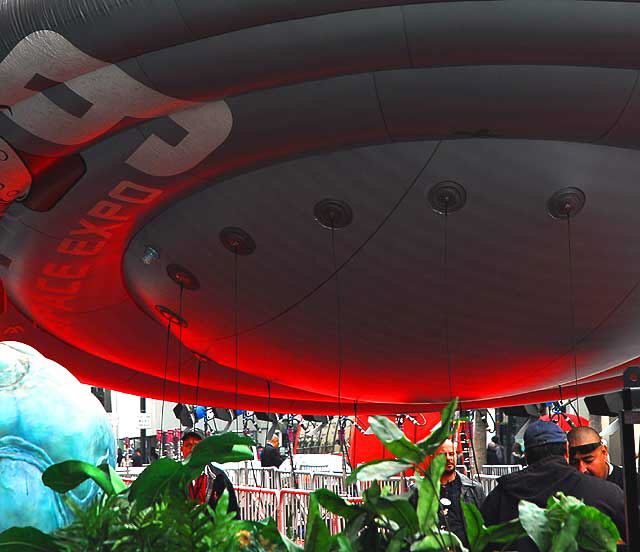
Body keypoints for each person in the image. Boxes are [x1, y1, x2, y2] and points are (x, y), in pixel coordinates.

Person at [481, 421, 625, 551]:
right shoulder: (608, 493)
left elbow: (479, 543)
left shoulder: (500, 496)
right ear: (567, 450)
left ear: (527, 456)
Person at [409, 439, 485, 548]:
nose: (449, 458)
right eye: (443, 455)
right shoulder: (418, 491)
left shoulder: (473, 489)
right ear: (433, 458)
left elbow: (484, 523)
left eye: (451, 454)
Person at [181, 429, 240, 518]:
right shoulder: (174, 477)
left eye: (197, 445)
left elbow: (232, 510)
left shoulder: (219, 477)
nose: (192, 450)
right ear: (182, 449)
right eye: (188, 445)